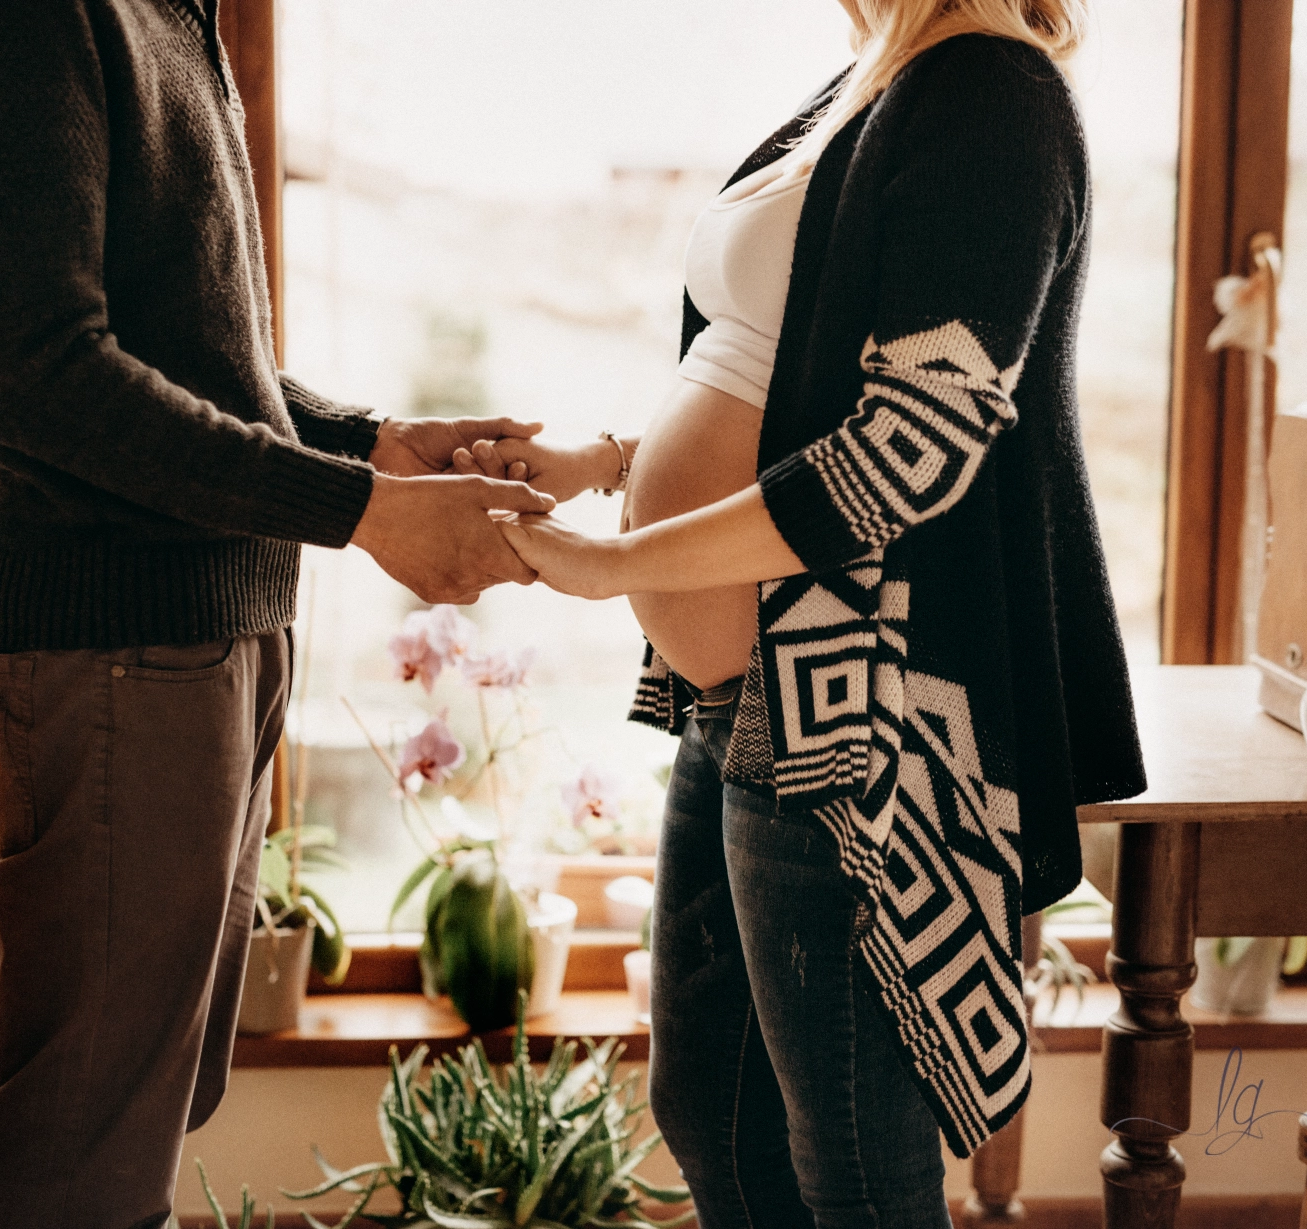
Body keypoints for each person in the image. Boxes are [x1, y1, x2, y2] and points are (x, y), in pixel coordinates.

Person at [462, 1, 1148, 1224]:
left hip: (857, 727)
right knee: (712, 1112)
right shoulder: (870, 80)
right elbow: (773, 358)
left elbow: (910, 445)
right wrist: (608, 460)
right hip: (742, 700)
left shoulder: (994, 96)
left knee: (857, 1172)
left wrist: (616, 565)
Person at [0, 0, 553, 1224]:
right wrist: (359, 507)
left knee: (132, 1125)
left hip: (197, 633)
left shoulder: (163, 10)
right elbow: (45, 374)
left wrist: (374, 446)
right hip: (117, 647)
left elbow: (186, 354)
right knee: (79, 1152)